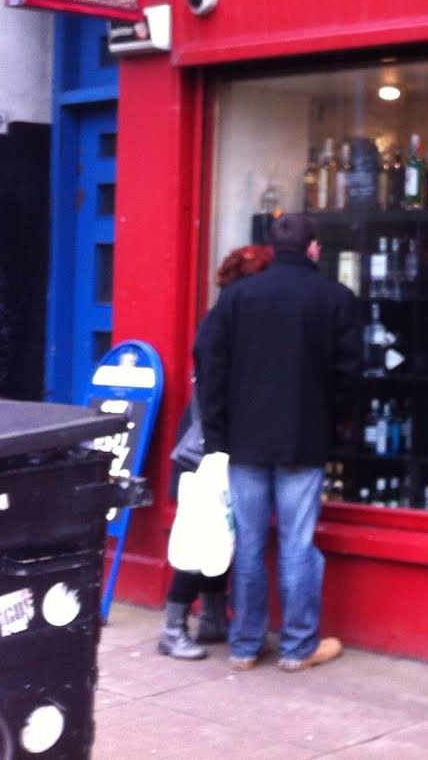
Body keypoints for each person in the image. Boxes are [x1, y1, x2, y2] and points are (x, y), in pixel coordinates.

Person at [196, 213, 361, 672]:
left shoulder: (237, 297)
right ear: (313, 249)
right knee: (296, 544)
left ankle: (246, 646)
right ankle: (297, 646)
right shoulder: (334, 297)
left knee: (249, 544)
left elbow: (212, 369)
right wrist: (337, 422)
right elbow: (349, 375)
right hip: (303, 438)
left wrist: (216, 433)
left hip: (244, 439)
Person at [159, 243, 275, 661]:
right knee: (202, 532)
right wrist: (218, 447)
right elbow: (210, 390)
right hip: (208, 445)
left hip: (215, 440)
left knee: (222, 529)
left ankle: (211, 618)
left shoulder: (228, 316)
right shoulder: (225, 321)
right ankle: (172, 628)